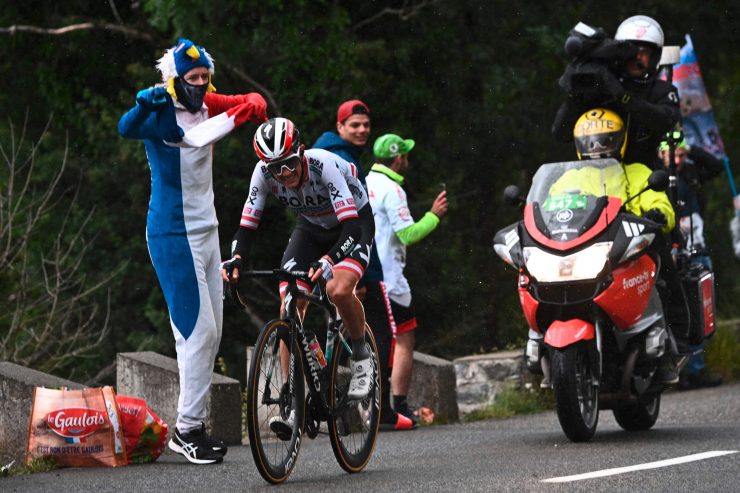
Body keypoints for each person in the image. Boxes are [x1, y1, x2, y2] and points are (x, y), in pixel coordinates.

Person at [118, 39, 267, 464]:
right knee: (195, 332)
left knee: (210, 332)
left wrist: (252, 103)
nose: (200, 86)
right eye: (191, 79)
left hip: (208, 232)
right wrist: (144, 104)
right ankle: (186, 429)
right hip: (171, 233)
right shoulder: (161, 108)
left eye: (204, 78)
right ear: (174, 79)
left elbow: (248, 102)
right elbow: (125, 128)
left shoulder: (207, 101)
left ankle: (192, 425)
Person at [222, 117, 375, 434]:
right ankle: (293, 404)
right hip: (310, 229)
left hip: (353, 225)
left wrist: (331, 259)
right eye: (277, 168)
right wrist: (236, 258)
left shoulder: (324, 165)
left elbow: (351, 227)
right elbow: (247, 225)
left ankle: (361, 355)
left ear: (301, 152)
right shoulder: (264, 172)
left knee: (338, 290)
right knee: (289, 307)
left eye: (290, 164)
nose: (285, 173)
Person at [566, 108, 689, 383]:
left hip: (630, 247)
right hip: (585, 249)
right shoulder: (569, 178)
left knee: (664, 272)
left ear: (619, 140)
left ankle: (674, 340)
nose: (596, 147)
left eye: (605, 140)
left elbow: (662, 205)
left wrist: (658, 215)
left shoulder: (636, 172)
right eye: (590, 142)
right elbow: (549, 207)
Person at [313, 100, 415, 431]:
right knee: (382, 333)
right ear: (339, 127)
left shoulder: (339, 154)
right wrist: (358, 270)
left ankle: (333, 406)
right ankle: (382, 413)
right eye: (354, 125)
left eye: (365, 126)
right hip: (347, 255)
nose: (361, 131)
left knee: (334, 329)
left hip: (328, 250)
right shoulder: (338, 157)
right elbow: (346, 218)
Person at [366, 134, 448, 420]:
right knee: (403, 338)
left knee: (369, 338)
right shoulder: (392, 190)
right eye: (405, 155)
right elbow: (408, 234)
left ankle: (370, 407)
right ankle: (397, 407)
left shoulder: (364, 183)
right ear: (399, 158)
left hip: (363, 275)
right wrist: (434, 215)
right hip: (390, 279)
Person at [552, 15, 680, 168]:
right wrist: (576, 95)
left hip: (644, 180)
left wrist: (623, 97)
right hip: (596, 177)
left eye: (643, 52)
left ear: (655, 57)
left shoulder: (662, 91)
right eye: (631, 51)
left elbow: (665, 121)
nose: (636, 56)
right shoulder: (600, 85)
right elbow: (561, 133)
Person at [658, 133, 724, 390]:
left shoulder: (691, 173)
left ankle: (697, 370)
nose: (677, 160)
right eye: (672, 155)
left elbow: (716, 166)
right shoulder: (657, 179)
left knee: (700, 309)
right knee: (675, 309)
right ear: (661, 156)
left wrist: (689, 147)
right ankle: (677, 370)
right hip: (672, 252)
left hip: (697, 248)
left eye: (680, 155)